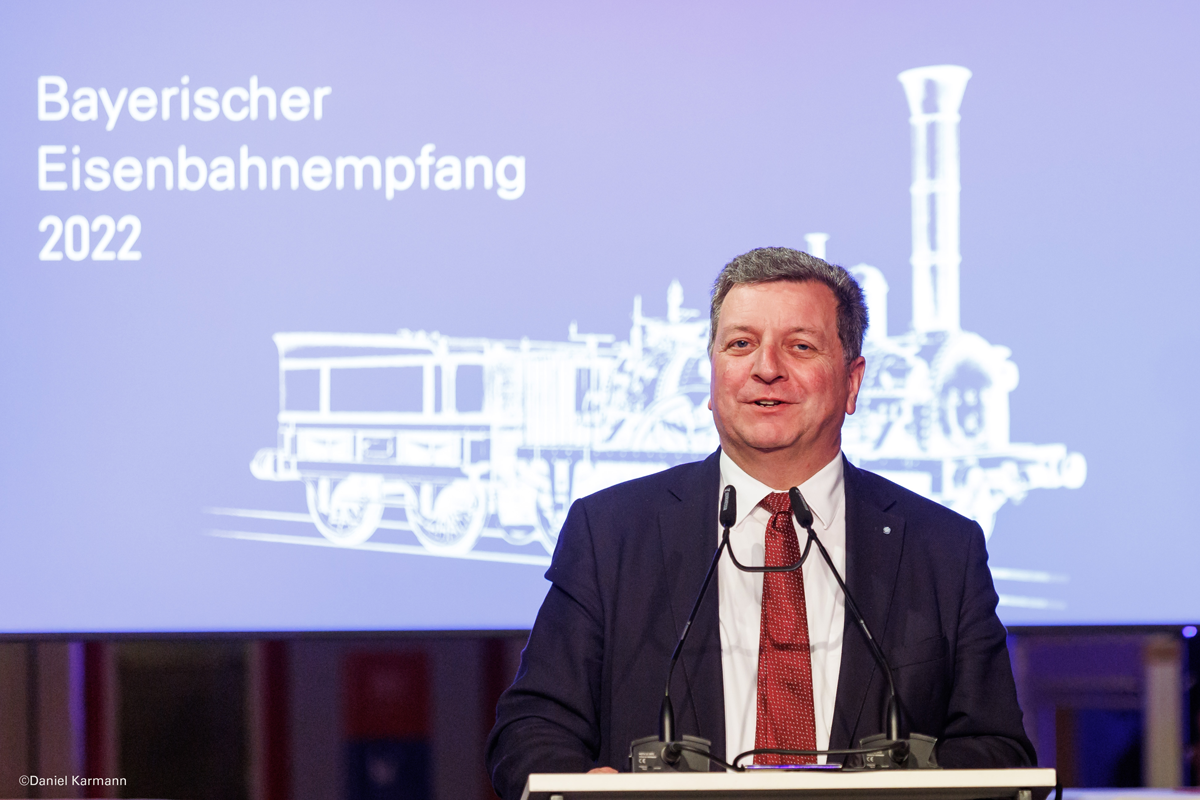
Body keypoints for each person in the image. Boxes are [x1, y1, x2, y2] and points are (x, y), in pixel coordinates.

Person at [486, 247, 1034, 799]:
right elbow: (530, 730)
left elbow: (996, 747)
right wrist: (586, 786)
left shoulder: (942, 548)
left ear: (852, 382)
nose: (766, 368)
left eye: (800, 346)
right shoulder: (610, 534)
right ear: (712, 375)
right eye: (741, 344)